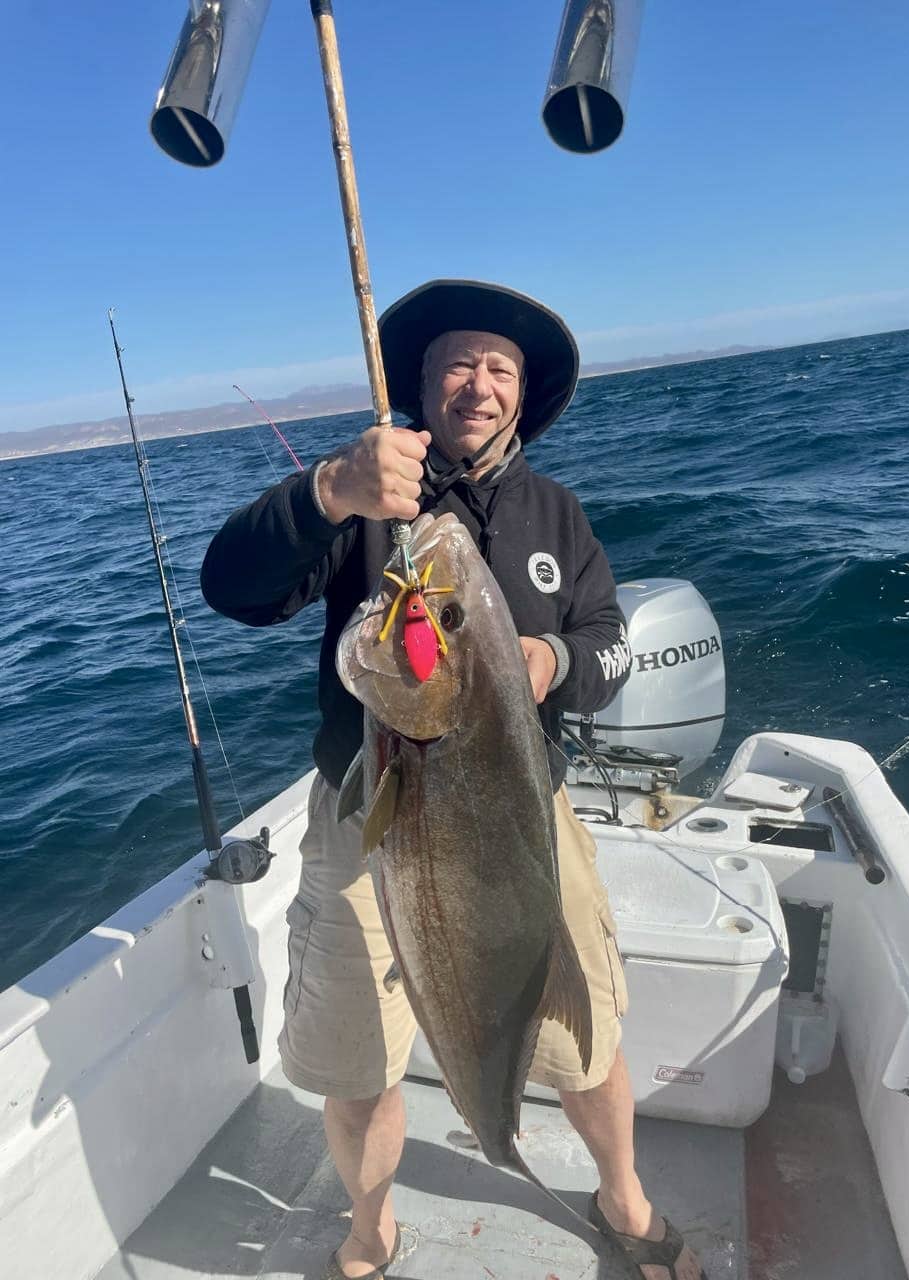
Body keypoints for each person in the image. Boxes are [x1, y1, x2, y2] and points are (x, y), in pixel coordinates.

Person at [201, 280, 706, 1280]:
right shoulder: (369, 497)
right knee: (355, 1059)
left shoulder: (557, 513)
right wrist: (328, 491)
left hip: (525, 813)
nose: (479, 384)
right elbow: (233, 588)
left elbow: (608, 642)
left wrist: (556, 660)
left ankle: (622, 1196)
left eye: (499, 367)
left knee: (585, 1036)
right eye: (457, 363)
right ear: (423, 383)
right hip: (372, 810)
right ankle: (371, 1228)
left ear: (523, 392)